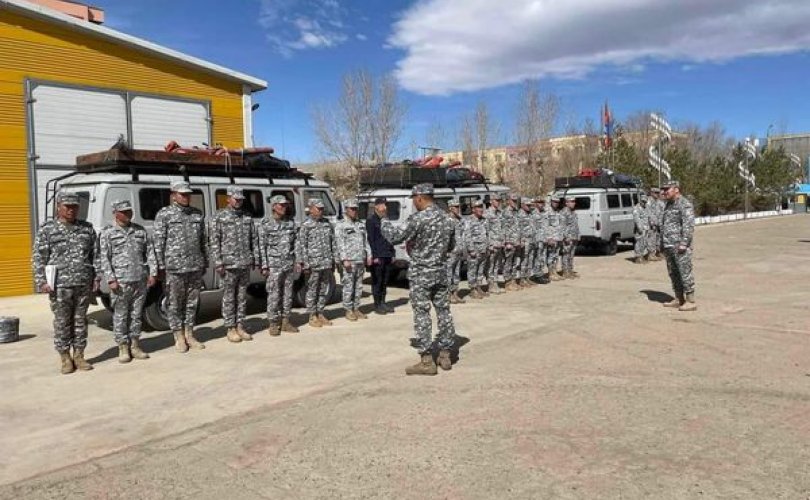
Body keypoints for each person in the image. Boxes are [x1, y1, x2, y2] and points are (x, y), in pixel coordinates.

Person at [382, 183, 457, 375]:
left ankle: (426, 361)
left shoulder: (418, 219)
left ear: (421, 198)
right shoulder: (447, 219)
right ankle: (445, 355)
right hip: (440, 272)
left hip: (422, 275)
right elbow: (451, 246)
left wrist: (383, 219)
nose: (414, 203)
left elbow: (395, 237)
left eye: (414, 199)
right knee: (444, 312)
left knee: (422, 314)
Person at [32, 191, 99, 374]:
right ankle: (64, 357)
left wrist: (96, 278)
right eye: (67, 206)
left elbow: (95, 256)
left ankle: (79, 355)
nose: (71, 210)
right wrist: (41, 281)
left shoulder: (87, 229)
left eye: (75, 207)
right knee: (62, 322)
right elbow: (39, 257)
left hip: (83, 283)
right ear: (58, 207)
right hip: (59, 285)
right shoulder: (48, 229)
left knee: (80, 321)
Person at [97, 199, 157, 363]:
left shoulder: (140, 231)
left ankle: (135, 345)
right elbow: (104, 258)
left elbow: (150, 252)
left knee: (137, 315)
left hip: (140, 280)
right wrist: (110, 279)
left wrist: (152, 273)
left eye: (129, 211)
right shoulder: (108, 233)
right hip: (121, 282)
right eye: (124, 212)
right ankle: (123, 347)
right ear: (115, 213)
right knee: (121, 316)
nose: (128, 214)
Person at [153, 180, 208, 352]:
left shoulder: (197, 214)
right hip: (174, 268)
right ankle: (178, 336)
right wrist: (160, 267)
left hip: (194, 266)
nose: (186, 197)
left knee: (192, 303)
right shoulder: (164, 215)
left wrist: (205, 261)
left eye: (188, 194)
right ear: (173, 196)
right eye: (182, 194)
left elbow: (203, 241)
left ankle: (189, 334)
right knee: (174, 303)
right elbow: (158, 243)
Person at [210, 186, 257, 343]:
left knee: (242, 296)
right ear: (228, 198)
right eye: (236, 199)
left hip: (244, 263)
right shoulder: (219, 217)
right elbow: (214, 241)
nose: (238, 202)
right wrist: (218, 262)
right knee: (229, 297)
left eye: (240, 200)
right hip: (228, 264)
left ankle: (240, 325)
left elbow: (253, 240)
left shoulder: (247, 217)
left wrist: (254, 259)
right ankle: (230, 328)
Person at [258, 195, 300, 336]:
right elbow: (261, 247)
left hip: (288, 264)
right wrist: (264, 266)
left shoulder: (290, 223)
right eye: (281, 205)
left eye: (285, 205)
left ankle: (286, 321)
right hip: (273, 265)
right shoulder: (265, 224)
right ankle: (273, 323)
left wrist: (297, 261)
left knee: (288, 294)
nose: (284, 207)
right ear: (274, 206)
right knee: (274, 295)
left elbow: (296, 244)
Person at [296, 198, 337, 327]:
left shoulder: (327, 223)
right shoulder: (306, 225)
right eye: (318, 209)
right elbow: (301, 246)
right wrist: (304, 263)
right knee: (312, 289)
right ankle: (312, 315)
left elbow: (333, 243)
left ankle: (320, 312)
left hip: (326, 262)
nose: (321, 211)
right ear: (311, 209)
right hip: (313, 264)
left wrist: (334, 259)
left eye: (322, 209)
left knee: (323, 289)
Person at [660, 181, 697, 311]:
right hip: (669, 245)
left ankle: (691, 300)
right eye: (663, 190)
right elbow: (664, 225)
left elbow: (688, 225)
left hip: (680, 246)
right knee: (673, 273)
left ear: (676, 189)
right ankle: (679, 298)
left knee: (684, 272)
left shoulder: (684, 204)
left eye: (667, 189)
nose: (664, 192)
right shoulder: (668, 205)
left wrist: (683, 243)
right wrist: (662, 244)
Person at [335, 199, 372, 321]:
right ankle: (348, 310)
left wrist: (369, 255)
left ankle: (356, 308)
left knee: (359, 286)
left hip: (360, 259)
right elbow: (340, 243)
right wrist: (344, 259)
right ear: (346, 209)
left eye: (356, 208)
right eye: (352, 208)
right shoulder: (341, 225)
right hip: (349, 261)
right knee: (348, 286)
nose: (354, 211)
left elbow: (365, 241)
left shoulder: (360, 224)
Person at [366, 197, 396, 315]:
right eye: (383, 205)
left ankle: (383, 302)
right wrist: (374, 256)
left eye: (386, 205)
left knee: (385, 281)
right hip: (378, 256)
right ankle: (377, 304)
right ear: (377, 206)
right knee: (377, 281)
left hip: (387, 254)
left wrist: (392, 253)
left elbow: (390, 238)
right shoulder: (371, 220)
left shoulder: (385, 220)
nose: (385, 207)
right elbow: (371, 240)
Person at [463, 199, 489, 299]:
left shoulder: (484, 220)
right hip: (474, 251)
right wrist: (471, 250)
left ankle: (479, 287)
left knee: (480, 270)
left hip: (483, 250)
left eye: (481, 207)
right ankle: (472, 289)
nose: (481, 209)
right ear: (473, 209)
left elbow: (487, 234)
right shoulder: (469, 220)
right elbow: (467, 236)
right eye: (478, 207)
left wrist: (487, 247)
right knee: (472, 270)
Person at [485, 193, 506, 294]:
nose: (498, 202)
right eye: (496, 200)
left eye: (499, 200)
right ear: (491, 201)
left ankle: (496, 283)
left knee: (497, 265)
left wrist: (503, 241)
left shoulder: (500, 213)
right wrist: (490, 245)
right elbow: (486, 231)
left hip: (499, 244)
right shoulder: (487, 214)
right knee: (490, 265)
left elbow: (502, 228)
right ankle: (491, 285)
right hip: (493, 244)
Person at [446, 200, 466, 304]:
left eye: (459, 206)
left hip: (459, 251)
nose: (458, 208)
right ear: (450, 208)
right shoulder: (447, 220)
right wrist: (446, 251)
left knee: (456, 274)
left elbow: (463, 235)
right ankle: (448, 295)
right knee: (449, 274)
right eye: (456, 206)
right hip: (450, 252)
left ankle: (455, 293)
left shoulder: (460, 220)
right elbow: (446, 238)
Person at [501, 193, 522, 291]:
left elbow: (518, 227)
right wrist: (507, 242)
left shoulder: (516, 211)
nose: (514, 202)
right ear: (508, 201)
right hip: (510, 242)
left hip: (516, 241)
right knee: (508, 262)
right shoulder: (506, 212)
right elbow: (504, 228)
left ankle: (513, 280)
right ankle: (507, 282)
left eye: (516, 200)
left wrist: (520, 240)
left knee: (515, 262)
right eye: (513, 200)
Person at [518, 197, 538, 287]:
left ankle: (527, 277)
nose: (529, 207)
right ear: (522, 205)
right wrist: (520, 240)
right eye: (527, 205)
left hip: (532, 240)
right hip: (525, 240)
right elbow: (518, 229)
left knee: (530, 260)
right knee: (524, 260)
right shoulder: (520, 215)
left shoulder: (530, 214)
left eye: (530, 205)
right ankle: (522, 279)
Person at [545, 196, 565, 281]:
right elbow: (546, 226)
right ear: (551, 202)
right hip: (552, 238)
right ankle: (550, 273)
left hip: (558, 237)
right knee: (550, 256)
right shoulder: (548, 212)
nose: (556, 204)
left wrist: (562, 237)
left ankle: (554, 271)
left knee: (556, 256)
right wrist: (549, 237)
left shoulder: (557, 212)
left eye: (557, 202)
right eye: (554, 202)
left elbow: (559, 225)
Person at [561, 195, 580, 279]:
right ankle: (565, 271)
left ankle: (570, 270)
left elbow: (575, 225)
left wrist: (578, 235)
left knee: (571, 255)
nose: (573, 203)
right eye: (571, 201)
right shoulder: (564, 212)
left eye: (574, 201)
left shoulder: (573, 212)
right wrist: (565, 237)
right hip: (568, 238)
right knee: (566, 254)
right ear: (566, 203)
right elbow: (562, 226)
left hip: (574, 237)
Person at [532, 197, 550, 284]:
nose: (541, 204)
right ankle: (537, 275)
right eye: (539, 202)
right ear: (535, 203)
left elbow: (546, 226)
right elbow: (533, 228)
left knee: (542, 258)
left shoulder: (544, 213)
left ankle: (541, 273)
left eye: (542, 202)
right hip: (537, 240)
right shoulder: (533, 214)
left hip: (544, 239)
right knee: (537, 258)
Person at [632, 195, 651, 264]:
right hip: (639, 229)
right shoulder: (636, 208)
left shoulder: (646, 208)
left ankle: (641, 256)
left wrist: (650, 225)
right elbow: (636, 219)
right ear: (640, 200)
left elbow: (648, 217)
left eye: (645, 202)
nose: (644, 203)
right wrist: (640, 228)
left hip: (646, 228)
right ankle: (638, 257)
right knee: (639, 243)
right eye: (643, 201)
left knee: (644, 243)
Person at [648, 188, 665, 261]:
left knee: (659, 239)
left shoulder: (659, 202)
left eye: (658, 193)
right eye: (656, 193)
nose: (657, 194)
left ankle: (659, 252)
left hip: (659, 224)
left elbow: (663, 212)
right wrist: (653, 223)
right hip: (651, 225)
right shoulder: (648, 202)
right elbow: (648, 214)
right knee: (651, 239)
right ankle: (651, 254)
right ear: (651, 193)